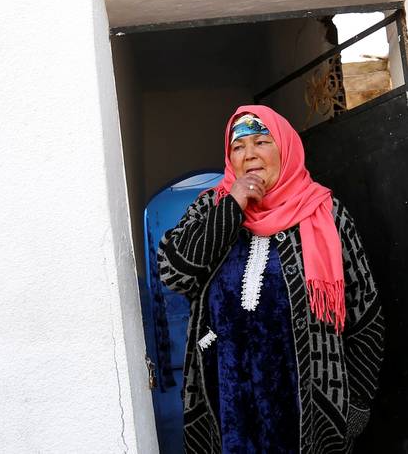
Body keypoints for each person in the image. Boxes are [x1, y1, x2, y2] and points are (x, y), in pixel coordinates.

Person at [157, 105, 384, 454]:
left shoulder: (325, 213)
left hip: (309, 412)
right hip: (226, 404)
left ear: (285, 147)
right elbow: (174, 271)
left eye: (262, 142)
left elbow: (365, 316)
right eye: (238, 147)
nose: (249, 155)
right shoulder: (210, 207)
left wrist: (357, 403)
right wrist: (232, 205)